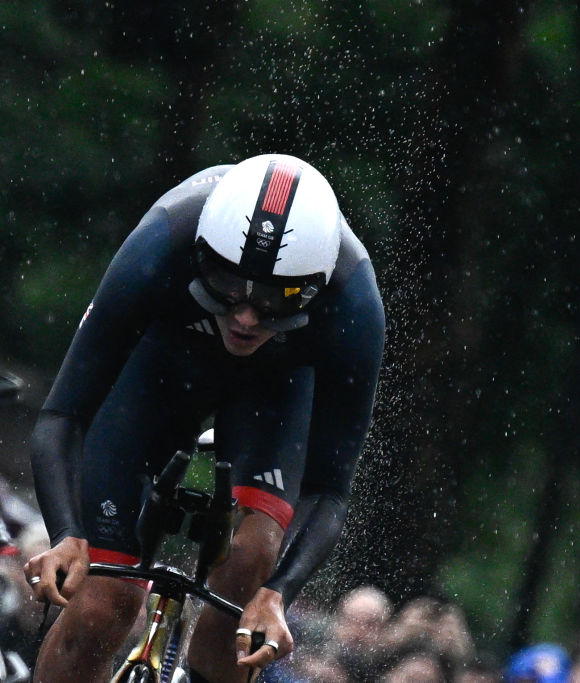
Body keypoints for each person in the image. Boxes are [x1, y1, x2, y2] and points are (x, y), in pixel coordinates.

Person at [22, 154, 386, 683]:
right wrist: (67, 533)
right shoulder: (161, 242)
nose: (245, 315)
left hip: (274, 389)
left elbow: (329, 491)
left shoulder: (354, 302)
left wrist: (278, 593)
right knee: (107, 602)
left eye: (274, 298)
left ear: (315, 287)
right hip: (161, 366)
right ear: (201, 256)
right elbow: (62, 417)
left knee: (249, 576)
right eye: (226, 284)